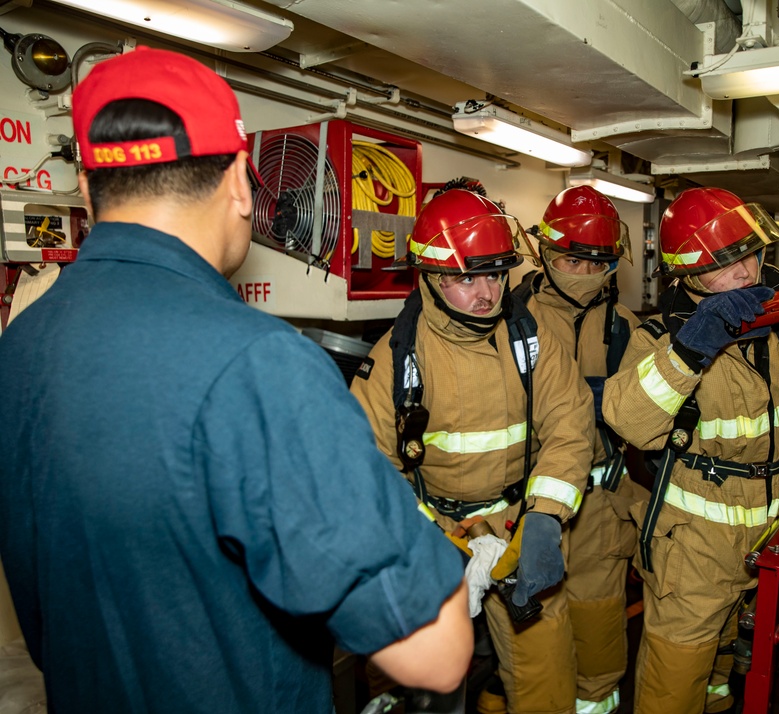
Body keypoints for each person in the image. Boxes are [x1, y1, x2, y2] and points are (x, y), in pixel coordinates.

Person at [0, 47, 472, 714]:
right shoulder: (257, 365)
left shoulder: (21, 345)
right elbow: (435, 651)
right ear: (240, 184)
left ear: (86, 190)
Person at [602, 187, 779, 714]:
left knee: (732, 667)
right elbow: (630, 421)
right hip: (696, 547)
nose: (746, 272)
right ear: (686, 277)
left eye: (749, 253)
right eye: (724, 265)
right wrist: (689, 350)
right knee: (674, 684)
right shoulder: (661, 337)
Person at [350, 188, 595, 714]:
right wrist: (436, 541)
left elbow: (570, 423)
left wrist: (546, 519)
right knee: (421, 694)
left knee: (545, 686)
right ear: (432, 278)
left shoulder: (532, 341)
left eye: (496, 273)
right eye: (466, 278)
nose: (487, 292)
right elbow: (369, 471)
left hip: (518, 530)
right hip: (433, 539)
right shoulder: (396, 360)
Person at [515, 185, 645, 713]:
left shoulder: (627, 329)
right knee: (531, 639)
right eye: (573, 258)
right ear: (545, 252)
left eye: (598, 262)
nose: (586, 274)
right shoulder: (509, 320)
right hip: (527, 506)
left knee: (597, 630)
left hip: (599, 505)